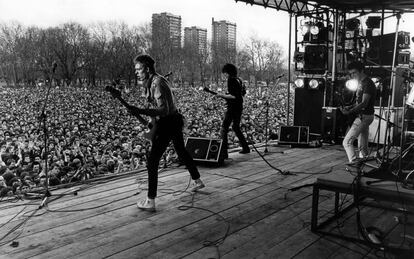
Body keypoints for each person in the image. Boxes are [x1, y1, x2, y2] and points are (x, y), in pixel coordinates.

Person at [110, 54, 205, 212]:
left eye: (139, 69)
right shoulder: (152, 82)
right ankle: (197, 180)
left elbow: (164, 110)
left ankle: (150, 200)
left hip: (168, 122)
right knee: (181, 150)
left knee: (152, 161)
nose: (137, 72)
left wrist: (140, 110)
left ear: (147, 69)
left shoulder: (158, 83)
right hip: (173, 121)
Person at [341, 61, 376, 164]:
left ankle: (353, 163)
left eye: (354, 73)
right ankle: (364, 164)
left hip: (364, 116)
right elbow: (359, 102)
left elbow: (364, 103)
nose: (352, 75)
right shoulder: (361, 83)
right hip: (365, 116)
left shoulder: (368, 83)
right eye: (350, 73)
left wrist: (350, 111)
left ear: (361, 71)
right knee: (362, 146)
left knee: (347, 142)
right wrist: (350, 107)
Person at [216, 63, 250, 156]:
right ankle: (245, 147)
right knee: (235, 127)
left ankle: (223, 153)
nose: (224, 75)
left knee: (224, 128)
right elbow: (242, 93)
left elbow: (233, 96)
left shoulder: (230, 80)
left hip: (232, 107)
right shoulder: (239, 80)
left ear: (227, 72)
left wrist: (222, 95)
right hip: (239, 106)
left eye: (225, 73)